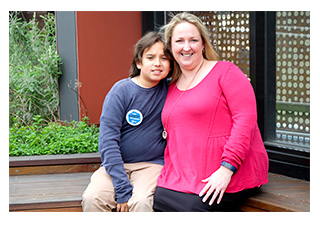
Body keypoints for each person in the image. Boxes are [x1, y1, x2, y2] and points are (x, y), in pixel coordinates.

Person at [153, 12, 269, 212]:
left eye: (193, 40)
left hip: (228, 172)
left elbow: (245, 121)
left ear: (203, 44)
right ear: (171, 48)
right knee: (159, 202)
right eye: (179, 41)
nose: (187, 47)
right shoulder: (170, 86)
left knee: (192, 209)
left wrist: (227, 169)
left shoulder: (226, 72)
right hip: (181, 177)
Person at [82, 31, 172, 212]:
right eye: (150, 57)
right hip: (115, 165)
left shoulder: (172, 90)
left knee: (141, 202)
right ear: (138, 62)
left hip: (151, 165)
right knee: (93, 198)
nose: (157, 63)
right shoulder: (121, 91)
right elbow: (108, 142)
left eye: (164, 58)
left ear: (171, 64)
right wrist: (122, 188)